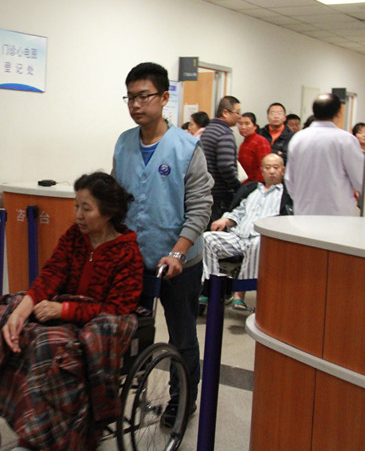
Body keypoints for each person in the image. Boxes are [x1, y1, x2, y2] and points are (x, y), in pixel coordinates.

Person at [0, 172, 143, 451]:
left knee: (45, 344)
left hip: (94, 324)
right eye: (76, 206)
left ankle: (27, 449)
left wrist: (64, 311)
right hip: (60, 311)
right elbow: (51, 274)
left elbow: (117, 308)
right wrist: (21, 311)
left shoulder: (127, 253)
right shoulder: (74, 237)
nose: (78, 215)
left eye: (86, 208)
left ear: (108, 213)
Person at [112, 62, 213, 426]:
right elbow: (116, 198)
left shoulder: (187, 147)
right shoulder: (124, 142)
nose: (136, 105)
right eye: (130, 98)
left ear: (164, 97)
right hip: (134, 259)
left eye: (144, 96)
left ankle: (182, 400)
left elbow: (200, 207)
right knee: (128, 331)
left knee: (182, 336)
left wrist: (178, 251)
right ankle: (119, 397)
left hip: (179, 262)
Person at [202, 154, 292, 311]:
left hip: (261, 238)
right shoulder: (251, 190)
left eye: (276, 168)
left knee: (257, 243)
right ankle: (211, 288)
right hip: (238, 236)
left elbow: (287, 219)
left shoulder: (285, 194)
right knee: (207, 238)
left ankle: (239, 294)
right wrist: (226, 219)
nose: (272, 171)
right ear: (262, 171)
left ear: (283, 170)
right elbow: (238, 212)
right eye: (268, 167)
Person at [285, 94, 365, 216]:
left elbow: (290, 179)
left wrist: (301, 200)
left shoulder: (298, 139)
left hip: (304, 211)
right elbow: (360, 179)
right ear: (339, 113)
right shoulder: (346, 140)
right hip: (336, 212)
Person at [201, 95, 242, 224]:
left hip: (206, 191)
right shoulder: (225, 133)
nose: (239, 117)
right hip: (220, 195)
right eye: (237, 112)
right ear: (225, 112)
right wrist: (237, 187)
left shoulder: (208, 130)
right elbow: (226, 166)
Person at [237, 112, 272, 184]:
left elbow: (264, 168)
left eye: (247, 124)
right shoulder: (243, 143)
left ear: (255, 127)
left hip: (255, 185)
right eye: (240, 124)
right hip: (244, 184)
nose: (243, 127)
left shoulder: (260, 141)